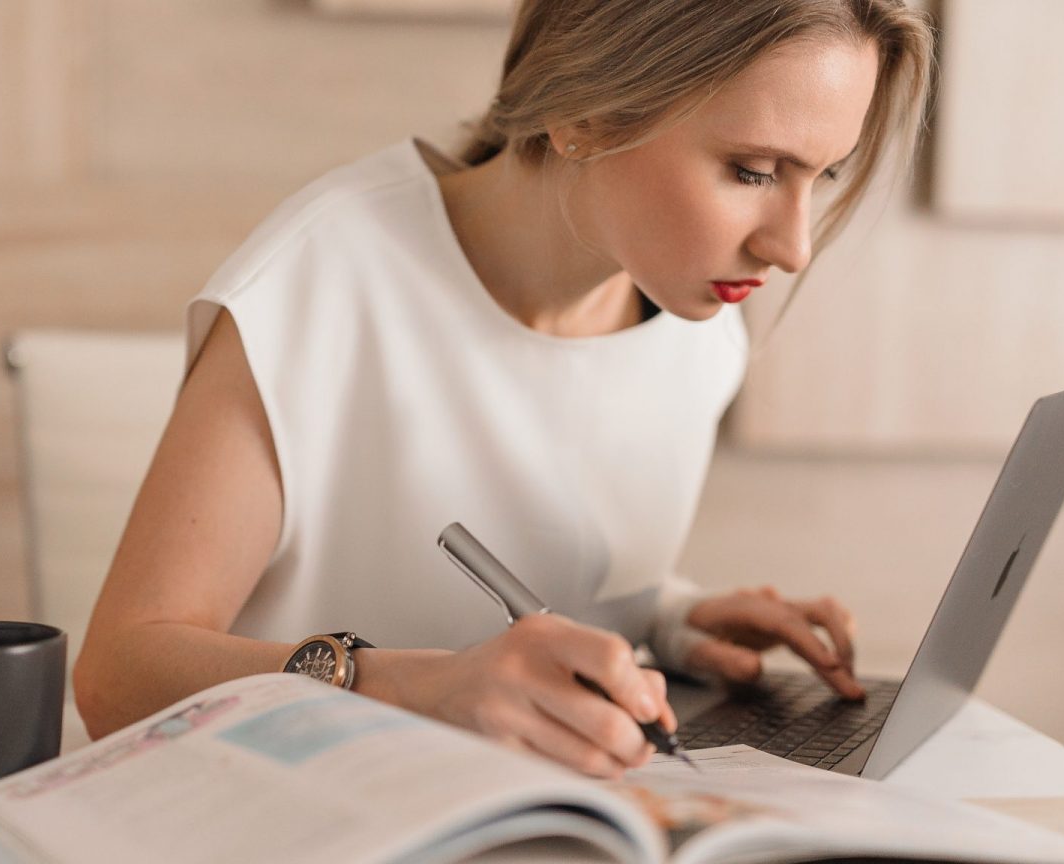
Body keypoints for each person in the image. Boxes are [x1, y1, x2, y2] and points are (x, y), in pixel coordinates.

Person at [75, 0, 934, 780]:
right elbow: (117, 677)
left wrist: (672, 618)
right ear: (585, 113)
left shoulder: (697, 329)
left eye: (820, 176)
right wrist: (416, 686)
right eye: (752, 171)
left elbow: (545, 580)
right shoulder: (323, 280)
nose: (793, 248)